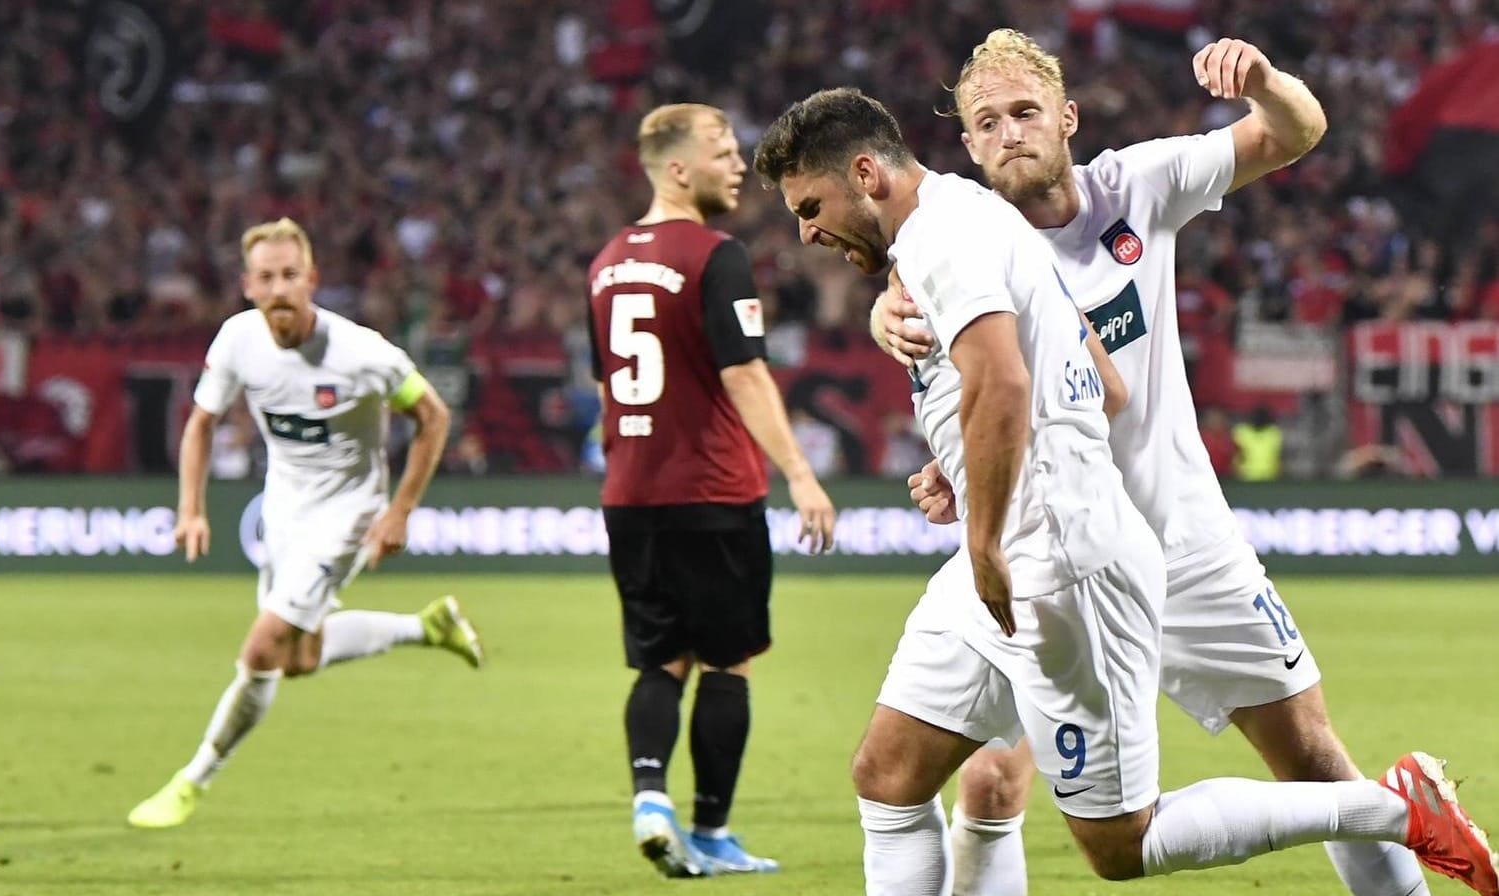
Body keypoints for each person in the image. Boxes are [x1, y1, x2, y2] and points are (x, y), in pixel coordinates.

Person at [755, 85, 1495, 895]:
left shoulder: (952, 238)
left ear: (866, 173)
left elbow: (1000, 382)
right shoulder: (972, 218)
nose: (805, 230)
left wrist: (982, 531)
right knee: (889, 775)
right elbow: (1100, 382)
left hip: (1059, 557)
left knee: (1119, 845)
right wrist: (966, 461)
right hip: (1029, 542)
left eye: (810, 204)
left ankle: (1388, 810)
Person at [126, 217, 485, 829]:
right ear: (247, 286)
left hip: (349, 512)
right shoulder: (238, 341)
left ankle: (193, 779)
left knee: (263, 646)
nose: (279, 289)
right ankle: (426, 628)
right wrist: (190, 508)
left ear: (312, 279)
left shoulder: (363, 353)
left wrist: (398, 510)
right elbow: (201, 424)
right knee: (298, 655)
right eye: (266, 278)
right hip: (283, 508)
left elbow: (433, 416)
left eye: (291, 275)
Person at [587, 103, 837, 879]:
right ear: (675, 168)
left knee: (659, 663)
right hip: (714, 492)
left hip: (630, 496)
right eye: (723, 151)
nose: (738, 164)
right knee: (727, 664)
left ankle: (649, 799)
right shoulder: (714, 255)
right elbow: (743, 371)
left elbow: (606, 393)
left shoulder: (603, 262)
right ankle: (713, 833)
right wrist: (800, 474)